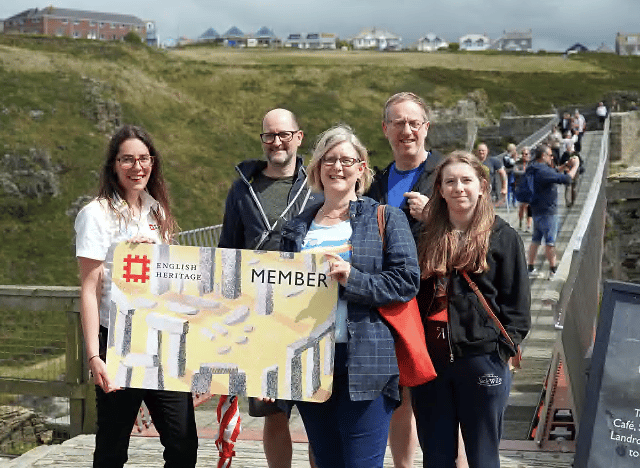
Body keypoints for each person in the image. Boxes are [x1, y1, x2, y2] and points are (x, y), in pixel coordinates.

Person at [281, 124, 420, 468]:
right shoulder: (297, 227)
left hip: (366, 362)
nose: (337, 167)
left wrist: (353, 278)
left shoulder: (386, 217)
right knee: (326, 460)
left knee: (361, 463)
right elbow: (279, 300)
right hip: (311, 362)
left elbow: (406, 282)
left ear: (361, 168)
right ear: (317, 168)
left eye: (347, 159)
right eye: (329, 159)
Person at [75, 125, 198, 468]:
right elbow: (89, 288)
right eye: (127, 159)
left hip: (161, 339)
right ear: (113, 165)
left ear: (153, 162)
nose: (137, 167)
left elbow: (171, 279)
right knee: (113, 445)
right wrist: (93, 355)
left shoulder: (157, 211)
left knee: (183, 442)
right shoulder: (95, 214)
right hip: (116, 341)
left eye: (143, 158)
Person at [411, 151, 531, 468]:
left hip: (482, 360)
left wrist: (501, 350)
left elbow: (517, 306)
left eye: (466, 180)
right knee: (435, 456)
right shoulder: (422, 236)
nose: (458, 188)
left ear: (481, 186)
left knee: (483, 456)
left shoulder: (503, 236)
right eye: (450, 181)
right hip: (431, 361)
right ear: (439, 188)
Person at [218, 108, 322, 468]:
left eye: (283, 134)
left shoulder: (319, 184)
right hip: (259, 314)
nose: (276, 142)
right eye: (268, 135)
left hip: (311, 313)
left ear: (298, 137)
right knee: (273, 411)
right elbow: (227, 250)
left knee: (315, 413)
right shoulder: (243, 188)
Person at [366, 91, 444, 468]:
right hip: (392, 303)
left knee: (441, 399)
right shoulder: (376, 183)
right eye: (398, 123)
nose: (406, 130)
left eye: (414, 122)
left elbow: (484, 232)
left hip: (437, 303)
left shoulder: (448, 174)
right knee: (399, 393)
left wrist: (436, 217)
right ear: (385, 130)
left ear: (426, 128)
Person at [526, 144, 579, 280]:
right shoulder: (543, 171)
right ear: (543, 156)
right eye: (550, 155)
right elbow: (567, 179)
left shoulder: (533, 167)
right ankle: (553, 271)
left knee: (535, 239)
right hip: (548, 212)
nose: (552, 157)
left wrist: (564, 165)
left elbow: (553, 172)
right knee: (550, 242)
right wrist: (575, 166)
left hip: (536, 210)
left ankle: (530, 268)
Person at [513, 147, 533, 232]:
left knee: (529, 207)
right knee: (522, 206)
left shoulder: (532, 163)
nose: (524, 155)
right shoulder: (518, 163)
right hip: (520, 187)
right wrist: (525, 173)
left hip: (530, 188)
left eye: (526, 154)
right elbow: (515, 171)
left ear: (529, 155)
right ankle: (521, 221)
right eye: (523, 154)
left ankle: (528, 225)